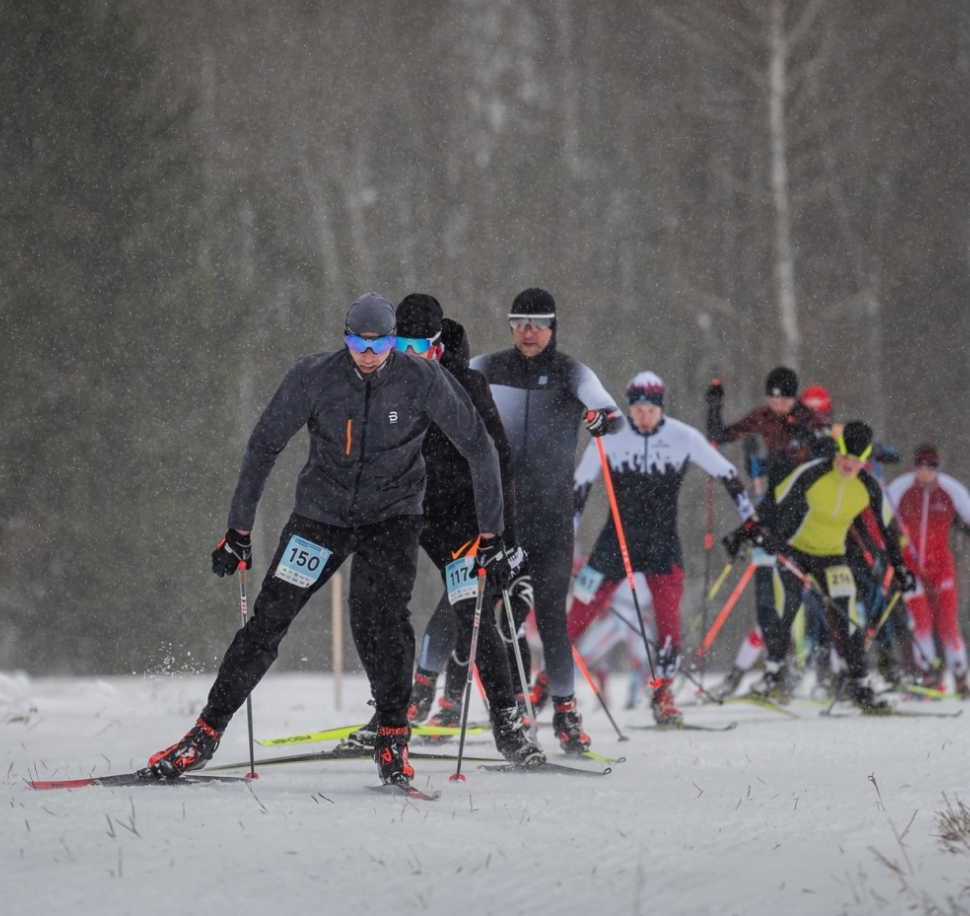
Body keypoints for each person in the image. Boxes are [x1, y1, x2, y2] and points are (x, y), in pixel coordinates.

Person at [142, 293, 507, 786]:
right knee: (268, 621)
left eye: (381, 343)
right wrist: (239, 530)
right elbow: (264, 444)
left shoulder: (422, 379)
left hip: (392, 517)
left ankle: (393, 736)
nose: (368, 353)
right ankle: (204, 734)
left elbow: (480, 448)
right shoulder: (313, 375)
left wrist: (490, 534)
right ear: (345, 337)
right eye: (358, 341)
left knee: (381, 618)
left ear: (395, 342)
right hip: (322, 515)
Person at [387, 298, 542, 764]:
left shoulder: (467, 383)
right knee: (381, 609)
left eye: (419, 344)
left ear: (436, 344)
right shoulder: (383, 381)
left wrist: (506, 538)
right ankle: (391, 713)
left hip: (457, 520)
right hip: (403, 511)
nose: (409, 354)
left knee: (471, 615)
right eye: (400, 344)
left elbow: (500, 463)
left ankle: (508, 724)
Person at [473, 288, 621, 753]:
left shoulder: (570, 371)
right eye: (518, 323)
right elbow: (440, 385)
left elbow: (609, 411)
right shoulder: (489, 366)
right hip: (502, 518)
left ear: (552, 326)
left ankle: (566, 712)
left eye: (537, 323)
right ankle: (508, 706)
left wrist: (601, 419)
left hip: (553, 519)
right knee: (488, 616)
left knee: (553, 619)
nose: (527, 332)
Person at [565, 372, 754, 725]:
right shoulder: (609, 436)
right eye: (637, 409)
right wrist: (566, 538)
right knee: (577, 614)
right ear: (629, 408)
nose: (643, 416)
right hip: (614, 543)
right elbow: (579, 488)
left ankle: (663, 693)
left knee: (669, 623)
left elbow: (727, 472)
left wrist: (750, 520)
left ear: (661, 408)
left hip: (662, 546)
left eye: (650, 409)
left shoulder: (682, 437)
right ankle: (547, 684)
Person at [739, 420, 915, 712]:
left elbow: (887, 532)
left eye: (858, 460)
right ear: (837, 451)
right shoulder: (813, 473)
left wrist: (900, 569)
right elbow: (773, 504)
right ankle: (773, 675)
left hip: (833, 556)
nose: (849, 464)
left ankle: (860, 684)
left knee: (846, 617)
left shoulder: (869, 487)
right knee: (787, 609)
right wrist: (754, 534)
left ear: (865, 460)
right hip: (795, 551)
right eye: (845, 456)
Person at [705, 368, 824, 699]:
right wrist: (714, 406)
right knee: (765, 594)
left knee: (796, 592)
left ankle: (814, 669)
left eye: (784, 398)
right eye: (773, 398)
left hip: (804, 508)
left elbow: (830, 450)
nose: (778, 405)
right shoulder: (763, 416)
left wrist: (810, 439)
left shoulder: (808, 418)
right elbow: (719, 435)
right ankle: (775, 667)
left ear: (795, 397)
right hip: (773, 504)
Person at [886, 444, 970, 696]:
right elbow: (879, 515)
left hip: (941, 567)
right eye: (920, 466)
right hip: (910, 567)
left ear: (937, 468)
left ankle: (961, 677)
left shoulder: (950, 489)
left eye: (930, 468)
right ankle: (927, 675)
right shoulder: (901, 487)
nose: (924, 473)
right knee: (920, 621)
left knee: (947, 624)